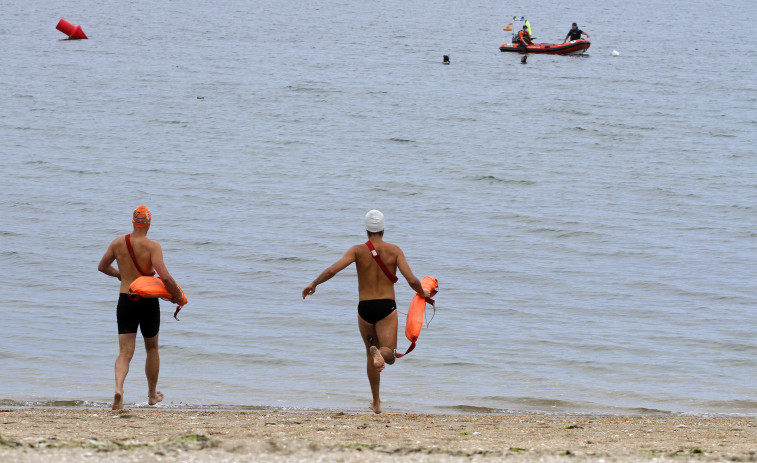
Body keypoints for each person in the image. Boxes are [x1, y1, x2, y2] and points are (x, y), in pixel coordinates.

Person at [302, 210, 430, 414]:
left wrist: (314, 283)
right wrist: (423, 292)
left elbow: (333, 270)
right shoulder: (395, 250)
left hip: (365, 308)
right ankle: (380, 354)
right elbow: (412, 280)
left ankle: (376, 402)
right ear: (383, 229)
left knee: (370, 355)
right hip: (386, 306)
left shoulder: (357, 251)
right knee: (388, 354)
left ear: (366, 230)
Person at [98, 205, 184, 410]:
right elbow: (164, 276)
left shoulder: (118, 243)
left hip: (125, 299)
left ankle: (119, 389)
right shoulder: (153, 246)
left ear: (133, 222)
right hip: (147, 302)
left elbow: (102, 267)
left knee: (125, 352)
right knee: (152, 348)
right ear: (149, 223)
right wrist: (177, 296)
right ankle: (152, 396)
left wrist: (119, 274)